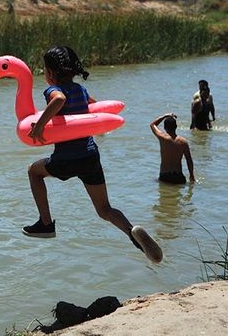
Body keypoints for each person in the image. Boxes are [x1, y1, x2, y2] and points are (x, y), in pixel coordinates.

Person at [23, 46, 163, 264]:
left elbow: (59, 100)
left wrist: (40, 125)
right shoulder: (81, 90)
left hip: (67, 158)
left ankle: (46, 224)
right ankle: (133, 232)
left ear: (50, 72)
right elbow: (94, 109)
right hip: (90, 155)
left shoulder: (53, 90)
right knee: (104, 209)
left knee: (33, 171)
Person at [150, 113, 195, 184]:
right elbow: (189, 160)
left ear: (165, 127)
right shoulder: (183, 142)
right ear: (176, 126)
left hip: (165, 176)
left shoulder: (163, 138)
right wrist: (192, 175)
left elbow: (153, 125)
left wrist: (165, 116)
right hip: (178, 177)